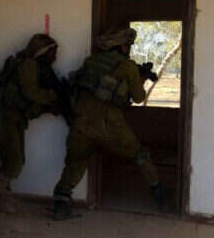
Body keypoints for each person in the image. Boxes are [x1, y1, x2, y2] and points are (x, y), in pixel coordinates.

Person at [51, 27, 166, 220]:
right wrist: (142, 79)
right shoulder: (128, 66)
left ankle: (60, 205)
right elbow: (138, 98)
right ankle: (160, 194)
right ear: (123, 47)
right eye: (128, 46)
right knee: (140, 155)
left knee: (76, 162)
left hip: (81, 123)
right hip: (110, 126)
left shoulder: (90, 61)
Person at [0, 34, 64, 213]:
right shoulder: (29, 64)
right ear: (43, 52)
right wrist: (53, 96)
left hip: (13, 118)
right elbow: (31, 93)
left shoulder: (30, 64)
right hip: (7, 118)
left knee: (14, 159)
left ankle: (3, 193)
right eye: (53, 52)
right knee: (14, 161)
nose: (55, 57)